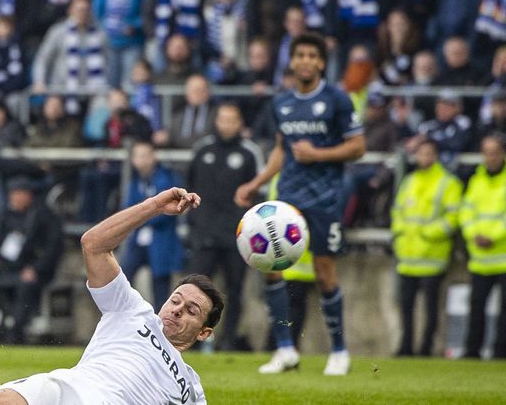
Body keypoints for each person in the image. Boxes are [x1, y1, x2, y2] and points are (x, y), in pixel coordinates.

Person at [0, 187, 216, 404]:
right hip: (69, 388)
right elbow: (94, 245)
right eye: (175, 300)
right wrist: (153, 206)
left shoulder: (191, 389)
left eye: (191, 310)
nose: (177, 309)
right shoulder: (132, 309)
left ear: (204, 332)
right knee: (2, 400)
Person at [235, 32, 365, 376]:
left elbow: (358, 147)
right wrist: (256, 183)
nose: (305, 60)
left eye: (312, 55)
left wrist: (318, 154)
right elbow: (282, 149)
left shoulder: (338, 100)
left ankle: (339, 351)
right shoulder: (282, 103)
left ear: (321, 62)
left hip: (325, 197)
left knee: (325, 274)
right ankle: (285, 349)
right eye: (300, 55)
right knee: (270, 268)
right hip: (288, 199)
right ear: (292, 62)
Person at [187, 102, 262, 351]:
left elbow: (258, 195)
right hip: (204, 233)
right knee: (195, 290)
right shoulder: (203, 150)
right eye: (223, 119)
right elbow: (188, 189)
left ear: (240, 123)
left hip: (236, 237)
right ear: (216, 121)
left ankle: (228, 340)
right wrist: (193, 224)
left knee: (234, 290)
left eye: (232, 120)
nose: (227, 125)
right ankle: (192, 341)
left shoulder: (249, 153)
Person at [460, 134, 506, 359]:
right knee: (476, 308)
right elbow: (466, 212)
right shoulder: (477, 179)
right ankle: (472, 351)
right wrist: (474, 235)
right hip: (481, 257)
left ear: (503, 153)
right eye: (486, 152)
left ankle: (503, 352)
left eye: (494, 152)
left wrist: (492, 236)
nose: (490, 157)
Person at [390, 139, 462, 357]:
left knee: (430, 308)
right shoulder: (409, 181)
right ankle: (405, 347)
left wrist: (426, 233)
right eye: (421, 153)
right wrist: (401, 233)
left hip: (432, 255)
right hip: (407, 256)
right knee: (406, 308)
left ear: (436, 156)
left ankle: (426, 348)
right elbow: (397, 211)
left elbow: (452, 218)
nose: (424, 158)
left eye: (429, 153)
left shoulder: (448, 182)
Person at [0, 176, 63, 344]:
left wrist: (36, 268)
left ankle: (16, 333)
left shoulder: (44, 216)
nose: (15, 198)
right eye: (13, 193)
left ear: (29, 195)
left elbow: (53, 248)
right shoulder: (6, 215)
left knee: (25, 287)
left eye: (20, 193)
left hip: (33, 270)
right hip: (7, 267)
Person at [119, 142, 183, 310]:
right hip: (138, 241)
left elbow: (165, 212)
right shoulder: (135, 181)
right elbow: (129, 208)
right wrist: (144, 214)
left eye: (145, 155)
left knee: (160, 288)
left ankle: (160, 327)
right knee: (122, 275)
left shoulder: (166, 178)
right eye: (137, 156)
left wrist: (140, 216)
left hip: (161, 241)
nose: (141, 160)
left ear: (154, 156)